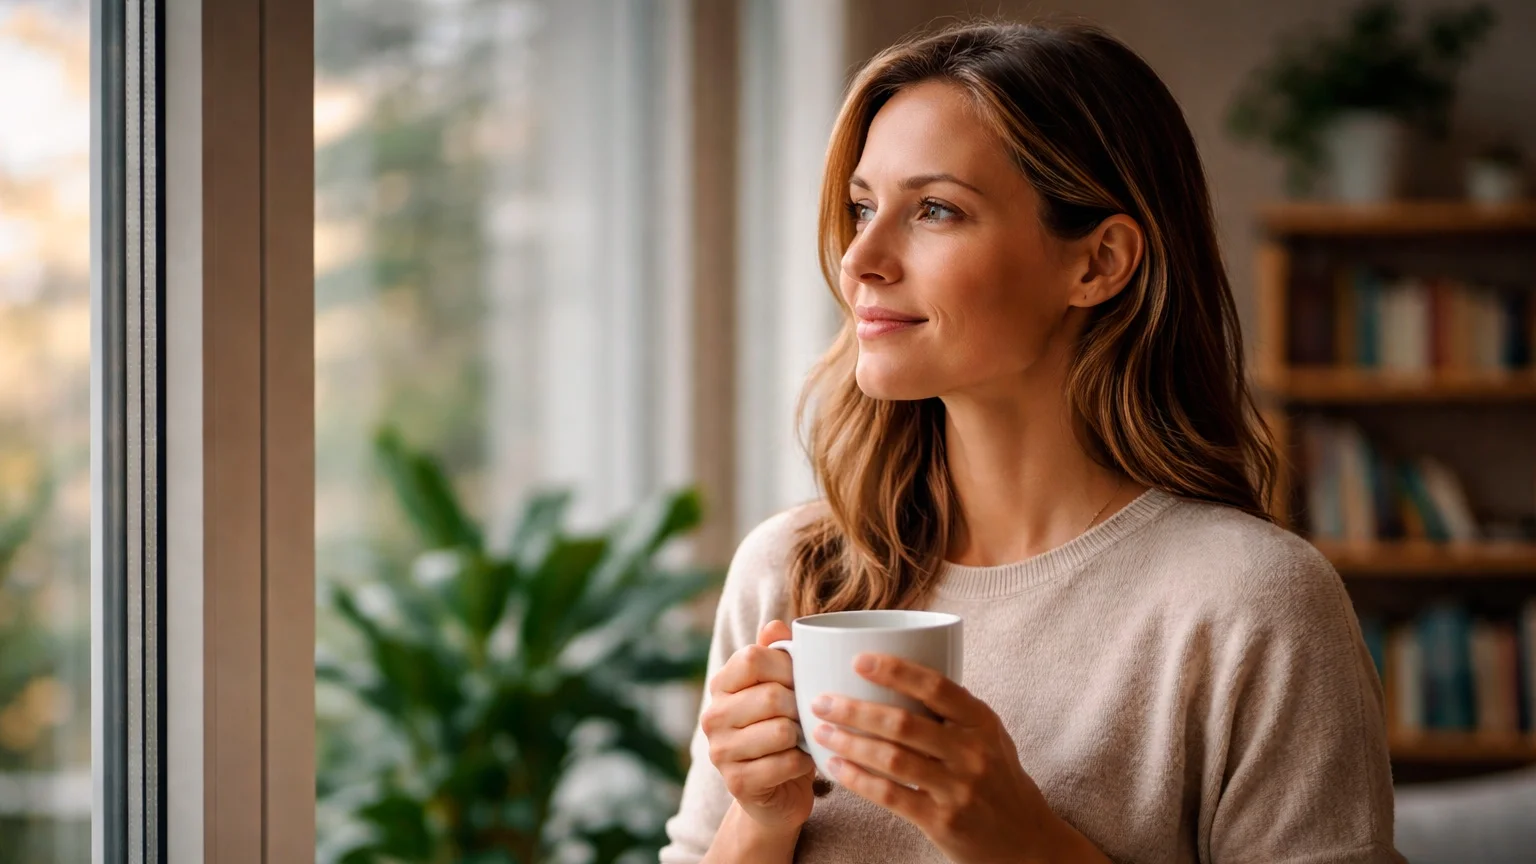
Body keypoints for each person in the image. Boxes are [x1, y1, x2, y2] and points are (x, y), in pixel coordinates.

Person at [659, 18, 1401, 864]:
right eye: (863, 207)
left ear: (1099, 263)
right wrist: (758, 822)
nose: (860, 257)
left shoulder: (1252, 605)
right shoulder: (792, 572)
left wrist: (1019, 838)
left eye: (935, 210)